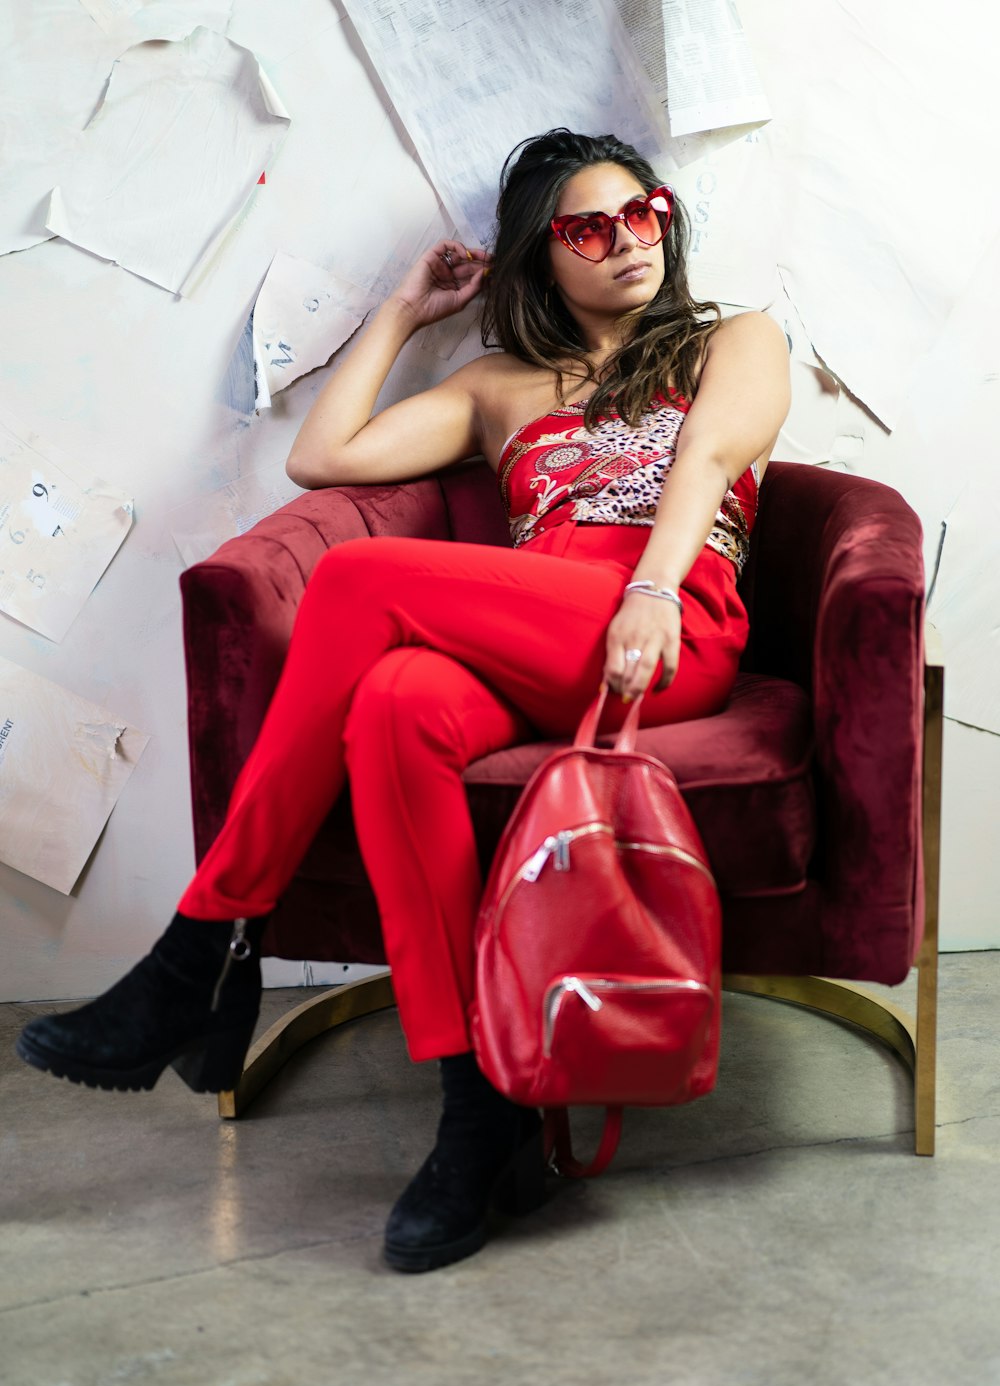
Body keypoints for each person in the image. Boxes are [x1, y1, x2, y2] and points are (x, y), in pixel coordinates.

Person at [16, 128, 790, 1273]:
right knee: (393, 701)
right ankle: (476, 1108)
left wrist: (651, 588)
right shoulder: (497, 387)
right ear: (539, 257)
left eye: (645, 213)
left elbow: (711, 462)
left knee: (358, 578)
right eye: (588, 227)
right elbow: (322, 459)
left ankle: (198, 952)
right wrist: (402, 311)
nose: (628, 240)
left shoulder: (736, 338)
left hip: (659, 629)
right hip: (528, 638)